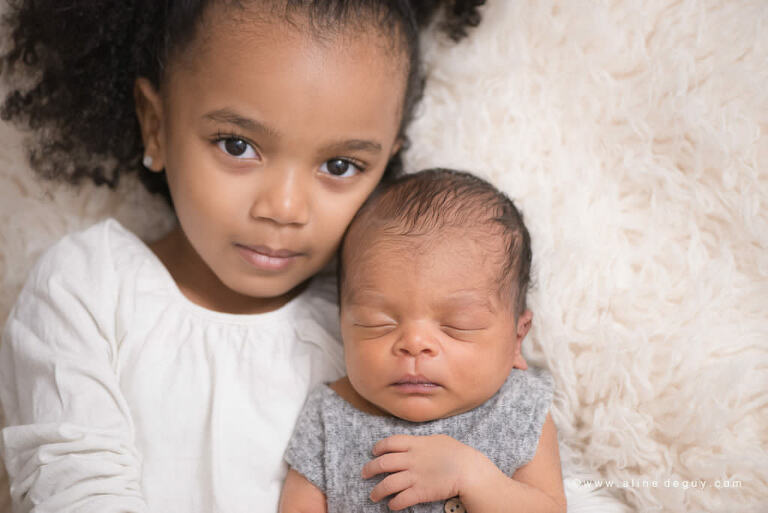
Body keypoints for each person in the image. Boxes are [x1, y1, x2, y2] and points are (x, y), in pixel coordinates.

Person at [0, 1, 488, 511]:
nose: (284, 208)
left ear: (387, 163)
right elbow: (76, 492)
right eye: (236, 145)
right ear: (156, 125)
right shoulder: (87, 286)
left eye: (341, 165)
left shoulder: (377, 329)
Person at [280, 169, 567, 513]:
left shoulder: (518, 407)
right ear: (343, 324)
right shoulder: (330, 415)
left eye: (457, 325)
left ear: (517, 338)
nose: (414, 344)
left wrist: (473, 478)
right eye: (378, 323)